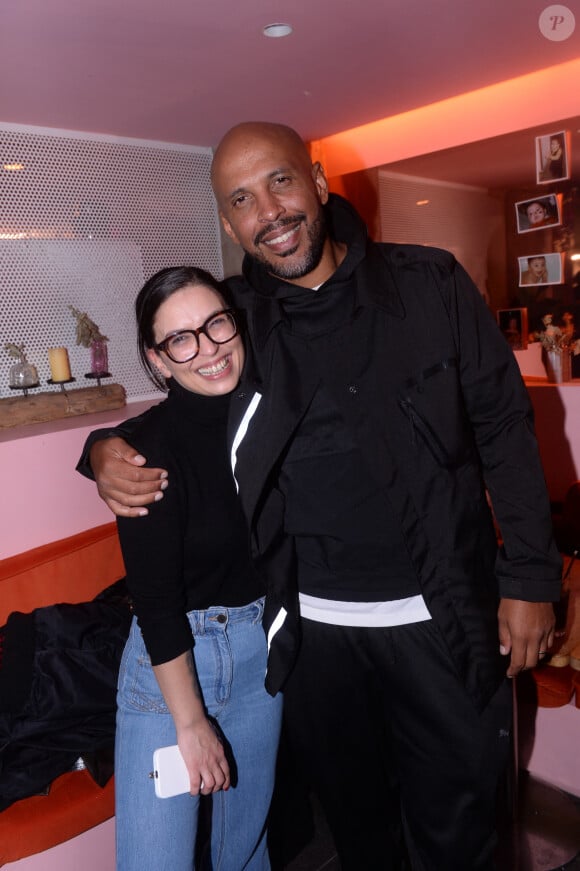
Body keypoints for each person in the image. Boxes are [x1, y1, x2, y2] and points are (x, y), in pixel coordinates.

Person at [78, 123, 561, 870]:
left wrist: (530, 575)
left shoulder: (430, 283)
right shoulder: (236, 321)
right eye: (240, 199)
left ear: (317, 178)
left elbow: (505, 426)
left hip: (442, 625)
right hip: (312, 645)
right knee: (358, 834)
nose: (267, 210)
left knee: (461, 834)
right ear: (229, 222)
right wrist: (102, 449)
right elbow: (177, 409)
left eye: (278, 181)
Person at [109, 266, 282, 870]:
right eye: (182, 338)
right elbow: (155, 603)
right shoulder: (143, 454)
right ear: (158, 360)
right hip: (174, 668)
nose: (208, 349)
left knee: (246, 850)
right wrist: (191, 723)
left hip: (260, 655)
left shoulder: (265, 418)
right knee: (156, 862)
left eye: (216, 324)